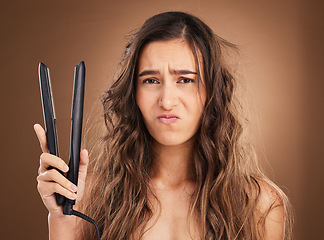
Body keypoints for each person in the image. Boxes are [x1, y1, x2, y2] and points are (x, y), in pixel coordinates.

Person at [35, 11, 293, 239]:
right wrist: (62, 221)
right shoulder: (86, 195)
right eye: (150, 80)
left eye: (185, 80)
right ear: (132, 93)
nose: (167, 101)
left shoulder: (260, 204)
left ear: (212, 91)